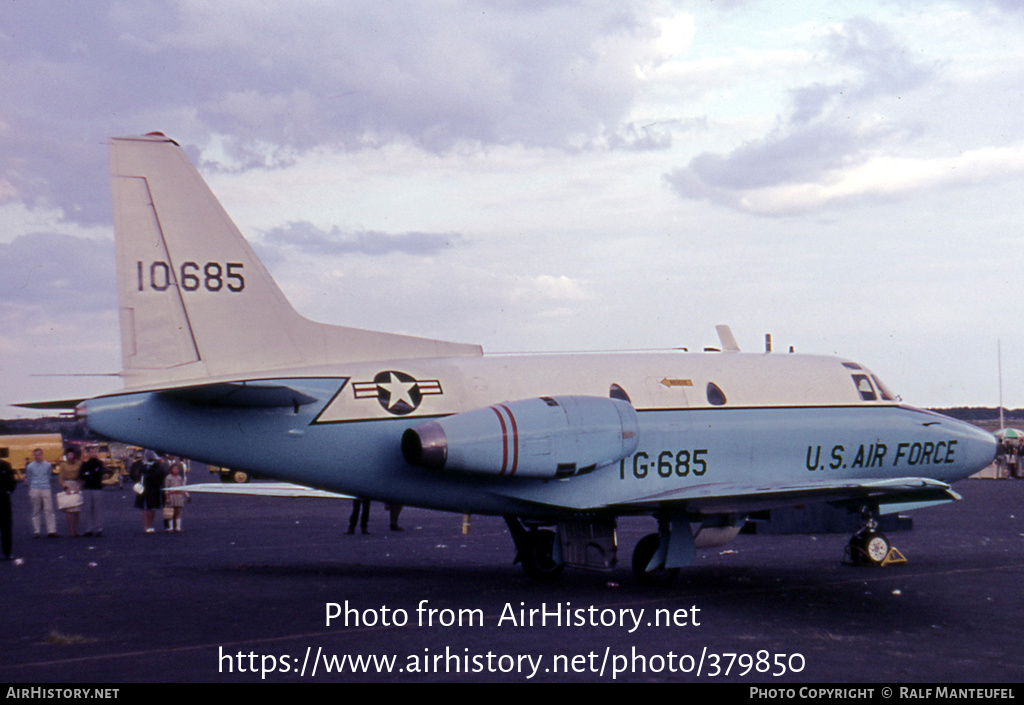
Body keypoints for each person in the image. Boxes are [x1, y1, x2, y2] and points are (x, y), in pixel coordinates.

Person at [24, 448, 57, 538]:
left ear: (42, 455)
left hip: (46, 488)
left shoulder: (48, 465)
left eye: (39, 455)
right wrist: (32, 486)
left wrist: (44, 482)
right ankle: (37, 531)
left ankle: (51, 530)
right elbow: (29, 478)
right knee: (36, 510)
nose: (37, 457)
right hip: (34, 488)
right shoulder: (30, 466)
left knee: (49, 509)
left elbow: (49, 475)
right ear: (34, 455)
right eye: (36, 455)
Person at [78, 446, 105, 537]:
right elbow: (82, 475)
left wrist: (89, 474)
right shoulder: (85, 464)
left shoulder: (100, 463)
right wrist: (91, 474)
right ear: (88, 453)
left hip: (97, 488)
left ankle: (99, 528)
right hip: (87, 488)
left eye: (94, 452)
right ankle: (89, 529)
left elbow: (99, 474)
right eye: (91, 452)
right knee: (88, 509)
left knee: (98, 509)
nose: (93, 453)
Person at [138, 451, 167, 533]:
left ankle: (150, 525)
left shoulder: (157, 465)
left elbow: (163, 474)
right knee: (146, 508)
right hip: (145, 488)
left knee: (152, 508)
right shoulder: (143, 465)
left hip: (153, 488)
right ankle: (147, 526)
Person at [58, 449, 83, 537]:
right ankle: (71, 530)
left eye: (72, 454)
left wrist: (78, 486)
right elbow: (60, 478)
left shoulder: (79, 464)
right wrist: (65, 487)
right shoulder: (63, 465)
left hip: (76, 484)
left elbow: (81, 476)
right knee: (68, 509)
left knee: (76, 509)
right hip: (67, 484)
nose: (70, 456)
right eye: (68, 455)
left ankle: (76, 530)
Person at [163, 462, 188, 532]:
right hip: (171, 495)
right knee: (171, 512)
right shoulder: (168, 477)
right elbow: (166, 488)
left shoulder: (180, 477)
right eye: (174, 468)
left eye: (177, 469)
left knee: (178, 512)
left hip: (178, 495)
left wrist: (186, 495)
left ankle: (178, 527)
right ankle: (170, 527)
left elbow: (182, 486)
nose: (176, 470)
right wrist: (167, 497)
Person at [0, 455, 16, 560]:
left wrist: (8, 491)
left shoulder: (5, 465)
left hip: (4, 500)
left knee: (6, 527)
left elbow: (12, 481)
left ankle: (7, 552)